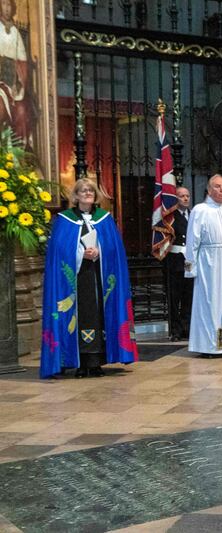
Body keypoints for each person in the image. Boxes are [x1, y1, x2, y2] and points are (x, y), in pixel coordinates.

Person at [40, 178, 138, 378]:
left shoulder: (105, 219)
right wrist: (79, 253)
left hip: (99, 277)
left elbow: (115, 249)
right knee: (80, 314)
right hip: (76, 279)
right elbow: (58, 251)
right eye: (83, 191)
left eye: (91, 191)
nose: (87, 193)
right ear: (75, 196)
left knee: (99, 315)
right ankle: (79, 363)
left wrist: (99, 251)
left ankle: (96, 362)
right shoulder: (64, 220)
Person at [184, 175, 222, 357]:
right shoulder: (200, 210)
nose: (221, 190)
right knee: (211, 301)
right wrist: (191, 268)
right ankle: (209, 347)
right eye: (217, 187)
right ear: (209, 189)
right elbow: (193, 240)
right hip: (209, 263)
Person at [0, 0, 34, 148]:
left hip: (13, 83)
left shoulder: (15, 32)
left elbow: (23, 61)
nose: (7, 8)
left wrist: (18, 83)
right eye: (4, 5)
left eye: (9, 5)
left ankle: (19, 153)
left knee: (21, 110)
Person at [165, 187, 193, 341]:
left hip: (189, 260)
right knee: (175, 297)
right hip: (175, 261)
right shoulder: (170, 217)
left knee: (188, 296)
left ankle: (186, 328)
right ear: (175, 198)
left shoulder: (194, 214)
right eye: (182, 196)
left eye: (187, 196)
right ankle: (175, 330)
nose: (185, 199)